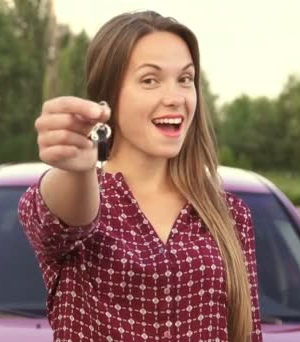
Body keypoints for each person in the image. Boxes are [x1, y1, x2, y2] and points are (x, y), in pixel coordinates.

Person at [18, 10, 262, 342]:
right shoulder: (82, 197)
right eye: (150, 80)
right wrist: (77, 167)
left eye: (185, 79)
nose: (175, 97)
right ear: (108, 98)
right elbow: (65, 218)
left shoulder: (231, 215)